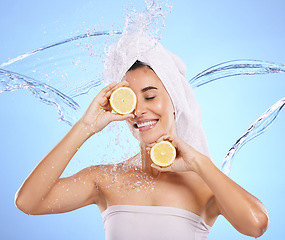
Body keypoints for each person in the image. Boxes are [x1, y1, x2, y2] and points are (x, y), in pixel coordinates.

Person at [15, 33, 269, 240]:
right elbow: (28, 202)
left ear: (174, 101)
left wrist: (200, 164)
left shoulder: (205, 185)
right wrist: (85, 126)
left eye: (150, 96)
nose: (138, 110)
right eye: (130, 101)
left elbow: (256, 225)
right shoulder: (105, 179)